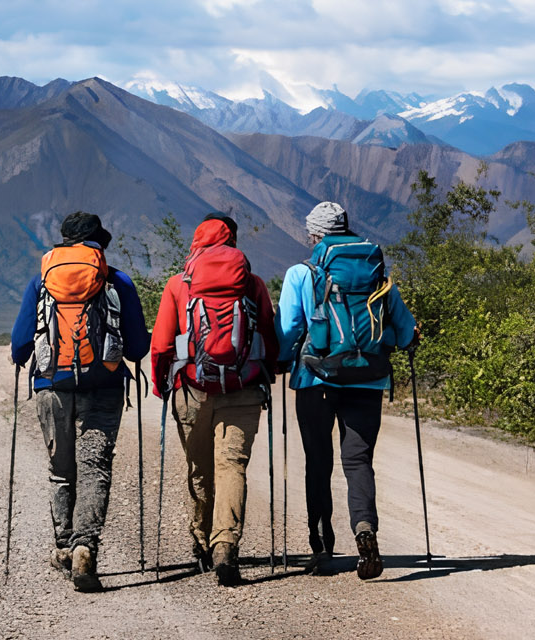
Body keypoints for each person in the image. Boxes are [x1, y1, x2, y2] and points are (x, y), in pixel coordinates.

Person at [11, 211, 149, 593]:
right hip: (103, 385)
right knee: (94, 467)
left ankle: (63, 547)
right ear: (99, 242)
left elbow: (21, 343)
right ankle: (86, 545)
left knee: (61, 469)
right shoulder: (117, 280)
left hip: (52, 386)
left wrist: (25, 358)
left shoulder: (41, 280)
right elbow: (138, 347)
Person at [278, 201, 417, 580]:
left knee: (318, 462)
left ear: (314, 235)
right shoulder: (378, 273)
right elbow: (406, 332)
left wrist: (278, 359)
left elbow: (290, 328)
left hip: (315, 379)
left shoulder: (302, 273)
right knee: (358, 462)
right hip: (367, 379)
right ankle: (364, 528)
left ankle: (321, 546)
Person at [149, 212, 280, 585]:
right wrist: (269, 370)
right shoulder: (252, 284)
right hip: (244, 388)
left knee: (200, 468)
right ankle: (226, 546)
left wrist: (162, 386)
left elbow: (160, 344)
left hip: (192, 389)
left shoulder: (179, 284)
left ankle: (201, 539)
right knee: (232, 466)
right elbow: (269, 336)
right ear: (233, 241)